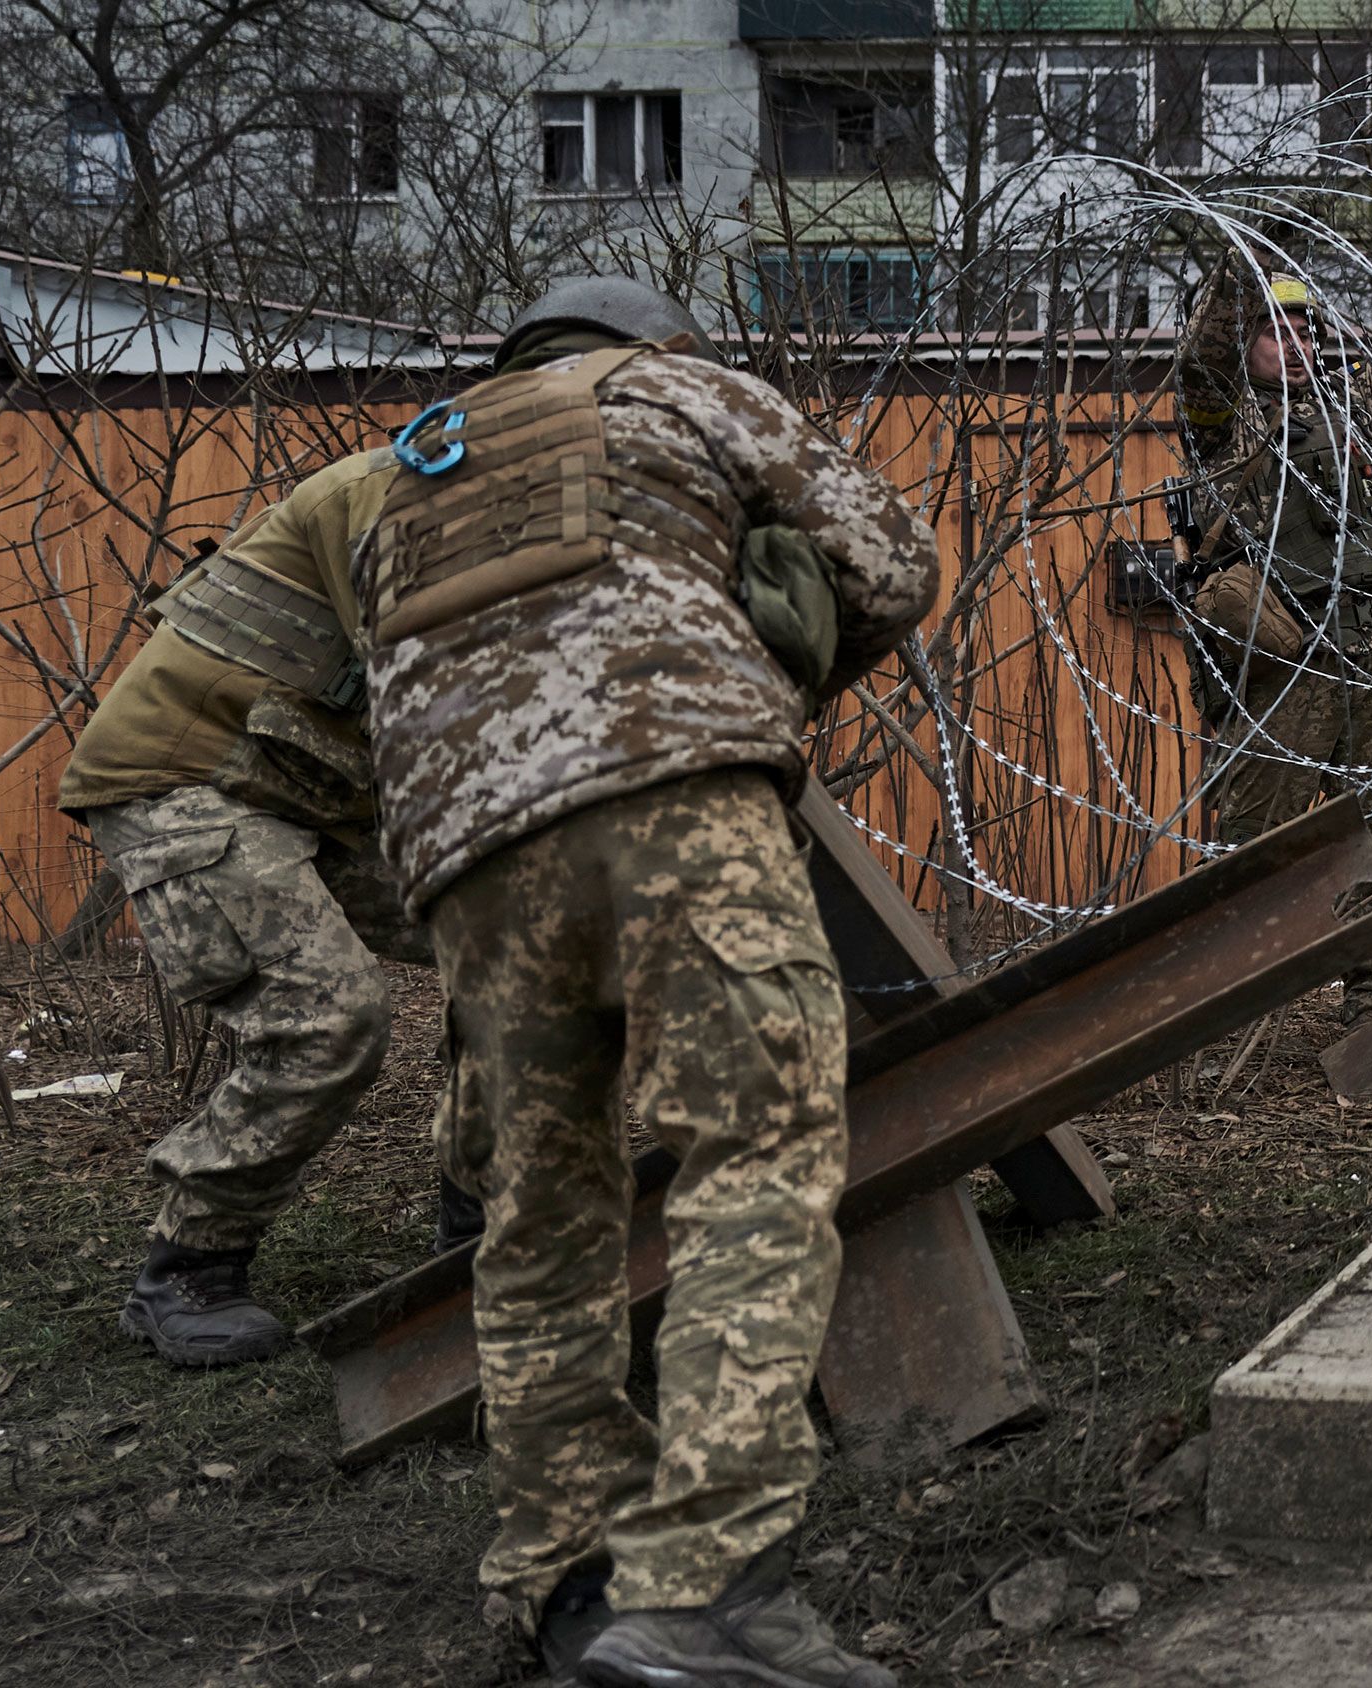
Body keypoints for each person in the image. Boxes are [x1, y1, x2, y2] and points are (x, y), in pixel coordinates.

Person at [358, 276, 937, 1687]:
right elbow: (890, 560)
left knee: (542, 1217)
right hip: (673, 785)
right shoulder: (673, 389)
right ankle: (699, 1592)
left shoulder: (409, 475)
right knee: (754, 1147)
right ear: (653, 340)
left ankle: (567, 1599)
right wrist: (783, 661)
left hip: (469, 856)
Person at [56, 446, 475, 1368]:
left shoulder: (538, 496)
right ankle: (188, 1267)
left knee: (525, 945)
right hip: (188, 777)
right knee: (329, 1016)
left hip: (303, 783)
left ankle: (485, 1219)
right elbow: (441, 676)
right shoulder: (402, 489)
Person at [1175, 253, 1372, 1023]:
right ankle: (1224, 1008)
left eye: (1303, 327)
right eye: (1273, 329)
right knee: (1256, 842)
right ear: (1243, 340)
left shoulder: (1345, 409)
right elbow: (1201, 360)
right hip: (1288, 659)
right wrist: (1238, 269)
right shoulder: (1222, 422)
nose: (1293, 342)